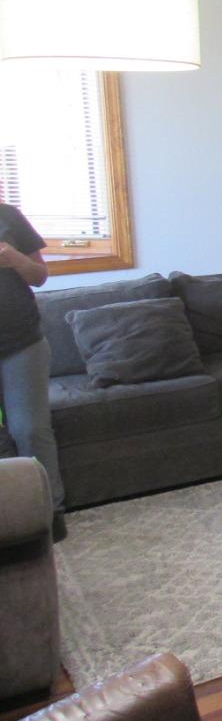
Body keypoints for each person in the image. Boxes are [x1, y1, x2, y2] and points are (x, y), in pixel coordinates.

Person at [0, 202, 65, 540]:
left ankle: (49, 516)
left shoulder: (7, 216)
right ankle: (10, 518)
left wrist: (15, 258)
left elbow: (39, 276)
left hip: (22, 344)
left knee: (31, 430)